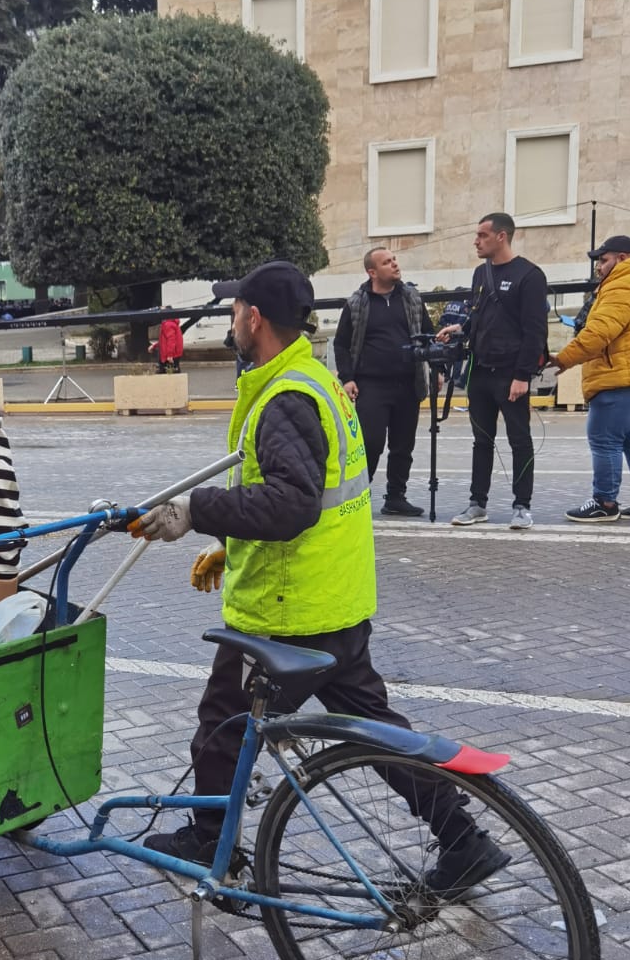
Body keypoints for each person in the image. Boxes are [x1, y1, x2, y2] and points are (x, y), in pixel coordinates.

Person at [130, 260, 509, 896]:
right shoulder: (316, 381)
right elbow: (313, 497)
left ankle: (206, 838)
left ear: (254, 319)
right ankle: (463, 838)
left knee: (222, 726)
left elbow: (291, 503)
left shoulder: (283, 399)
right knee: (380, 733)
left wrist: (197, 514)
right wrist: (233, 543)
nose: (230, 321)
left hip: (291, 614)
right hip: (336, 602)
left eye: (233, 311)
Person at [438, 213, 547, 530]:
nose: (476, 240)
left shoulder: (530, 275)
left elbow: (535, 331)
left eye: (482, 235)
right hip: (480, 370)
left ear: (501, 236)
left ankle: (522, 507)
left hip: (511, 372)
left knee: (520, 440)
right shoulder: (479, 273)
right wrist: (461, 327)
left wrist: (522, 376)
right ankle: (477, 504)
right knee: (481, 440)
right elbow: (480, 314)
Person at [333, 248, 432, 517]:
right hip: (371, 385)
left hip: (407, 384)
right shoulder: (357, 303)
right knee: (371, 442)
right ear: (372, 272)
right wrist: (347, 378)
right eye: (387, 262)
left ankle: (396, 497)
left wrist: (438, 368)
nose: (395, 264)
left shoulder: (411, 298)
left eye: (395, 260)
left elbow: (427, 334)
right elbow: (341, 344)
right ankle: (359, 495)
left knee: (403, 445)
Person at [551, 235, 630, 522]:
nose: (599, 267)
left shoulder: (621, 284)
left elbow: (599, 332)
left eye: (604, 259)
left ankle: (605, 503)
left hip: (615, 379)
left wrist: (563, 359)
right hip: (625, 379)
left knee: (605, 440)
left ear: (622, 259)